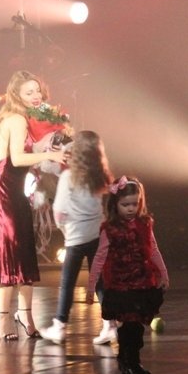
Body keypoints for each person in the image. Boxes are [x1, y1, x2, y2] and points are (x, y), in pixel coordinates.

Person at [0, 70, 67, 340]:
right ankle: (1, 314)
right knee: (11, 249)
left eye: (37, 90)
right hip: (4, 186)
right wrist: (51, 155)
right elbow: (15, 159)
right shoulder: (16, 119)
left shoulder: (23, 118)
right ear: (16, 95)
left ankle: (25, 315)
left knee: (24, 247)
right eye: (29, 92)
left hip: (13, 184)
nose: (36, 96)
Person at [87, 176, 169, 374]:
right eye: (126, 205)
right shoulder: (110, 229)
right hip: (121, 284)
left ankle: (128, 360)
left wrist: (163, 273)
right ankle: (130, 362)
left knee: (136, 325)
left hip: (142, 281)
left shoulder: (144, 224)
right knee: (131, 323)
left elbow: (153, 249)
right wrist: (91, 286)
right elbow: (99, 258)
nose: (131, 208)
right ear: (115, 204)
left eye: (135, 204)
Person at [40, 130, 114, 344]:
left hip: (75, 238)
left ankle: (59, 326)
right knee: (99, 282)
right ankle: (110, 325)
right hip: (96, 235)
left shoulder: (68, 178)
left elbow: (59, 211)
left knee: (67, 283)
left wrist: (64, 230)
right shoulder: (99, 177)